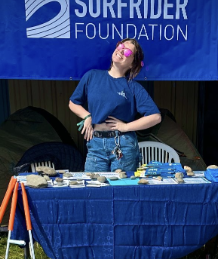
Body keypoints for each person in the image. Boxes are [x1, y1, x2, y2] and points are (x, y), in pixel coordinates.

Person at [68, 39, 162, 175]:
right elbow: (73, 102)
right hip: (95, 144)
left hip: (123, 144)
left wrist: (126, 127)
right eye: (121, 46)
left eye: (128, 52)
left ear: (132, 64)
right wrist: (87, 116)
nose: (122, 51)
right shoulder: (92, 76)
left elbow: (155, 117)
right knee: (93, 189)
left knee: (124, 191)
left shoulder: (132, 87)